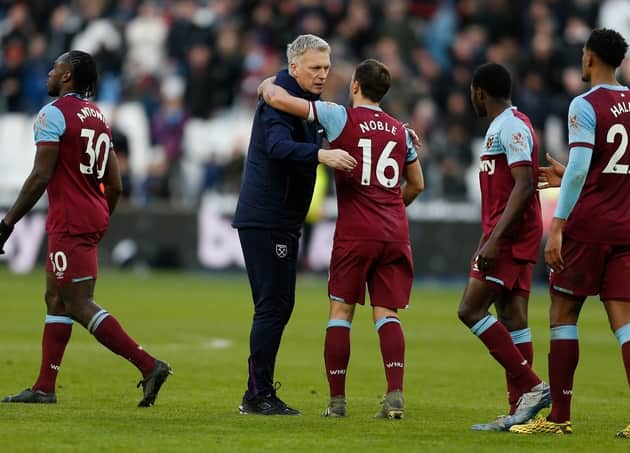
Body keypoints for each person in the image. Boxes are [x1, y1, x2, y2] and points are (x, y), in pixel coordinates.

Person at [0, 50, 171, 407]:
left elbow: (41, 176)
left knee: (77, 302)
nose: (50, 74)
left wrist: (6, 224)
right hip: (91, 215)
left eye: (55, 68)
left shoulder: (52, 114)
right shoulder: (98, 117)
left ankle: (148, 365)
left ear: (68, 76)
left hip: (69, 219)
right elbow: (115, 183)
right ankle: (44, 387)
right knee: (55, 298)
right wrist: (102, 217)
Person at [259, 58, 425, 419]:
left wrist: (269, 88)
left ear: (355, 86)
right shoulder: (400, 131)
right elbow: (417, 184)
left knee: (341, 312)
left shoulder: (340, 116)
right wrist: (393, 208)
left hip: (356, 232)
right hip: (394, 231)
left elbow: (285, 103)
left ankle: (337, 402)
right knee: (387, 313)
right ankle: (394, 395)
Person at [510, 28, 630, 439]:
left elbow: (579, 167)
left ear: (590, 58)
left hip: (590, 225)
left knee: (562, 313)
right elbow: (610, 166)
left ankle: (559, 417)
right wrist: (574, 176)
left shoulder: (585, 104)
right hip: (629, 223)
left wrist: (557, 226)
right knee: (626, 322)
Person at [232, 34, 357, 416]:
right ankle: (257, 395)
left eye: (326, 68)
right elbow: (277, 147)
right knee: (273, 306)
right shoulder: (280, 103)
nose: (323, 75)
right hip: (267, 218)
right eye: (315, 68)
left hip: (281, 218)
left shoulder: (299, 101)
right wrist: (323, 155)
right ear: (294, 68)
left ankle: (260, 391)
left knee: (278, 305)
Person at [457, 63, 550, 431]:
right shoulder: (505, 126)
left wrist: (495, 240)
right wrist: (486, 237)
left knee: (470, 310)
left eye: (471, 93)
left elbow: (524, 184)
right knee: (512, 318)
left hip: (511, 237)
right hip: (506, 234)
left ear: (480, 92)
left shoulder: (511, 126)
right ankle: (518, 413)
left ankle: (532, 387)